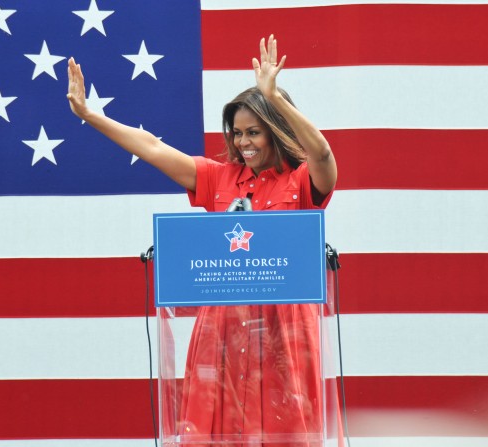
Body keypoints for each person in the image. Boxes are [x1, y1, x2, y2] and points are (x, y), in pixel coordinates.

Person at [68, 35, 339, 446]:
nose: (243, 143)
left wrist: (275, 99)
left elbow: (321, 155)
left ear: (277, 131)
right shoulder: (218, 177)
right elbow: (153, 148)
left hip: (284, 333)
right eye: (237, 133)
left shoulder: (300, 182)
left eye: (254, 133)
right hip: (224, 329)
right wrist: (91, 115)